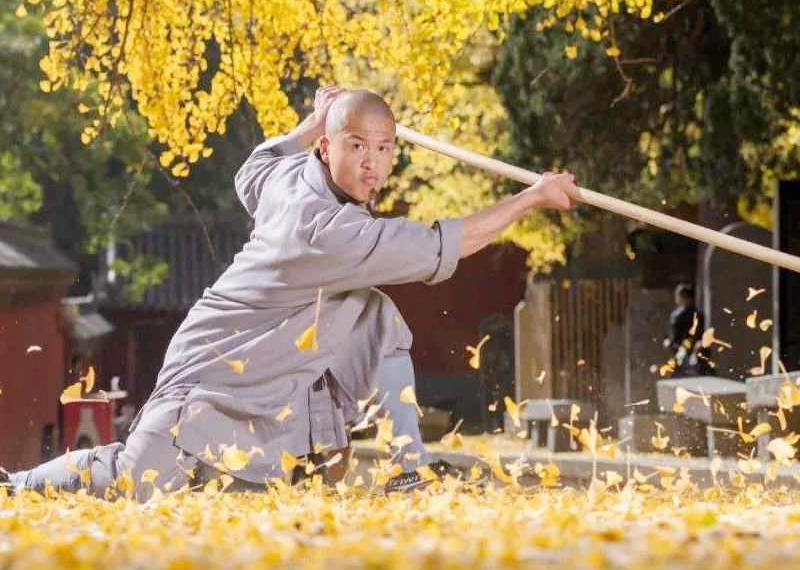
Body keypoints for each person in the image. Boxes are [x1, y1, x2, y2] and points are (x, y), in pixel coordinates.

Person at [1, 85, 577, 500]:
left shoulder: (293, 175)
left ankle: (408, 466)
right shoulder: (330, 233)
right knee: (130, 479)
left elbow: (252, 168)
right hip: (212, 375)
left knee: (370, 314)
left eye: (383, 148)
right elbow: (440, 244)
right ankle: (15, 486)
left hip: (271, 372)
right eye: (357, 146)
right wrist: (531, 198)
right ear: (329, 151)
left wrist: (314, 120)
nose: (373, 164)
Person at [663, 283, 712, 376]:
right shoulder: (699, 315)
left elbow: (673, 339)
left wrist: (669, 343)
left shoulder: (677, 316)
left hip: (683, 355)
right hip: (695, 356)